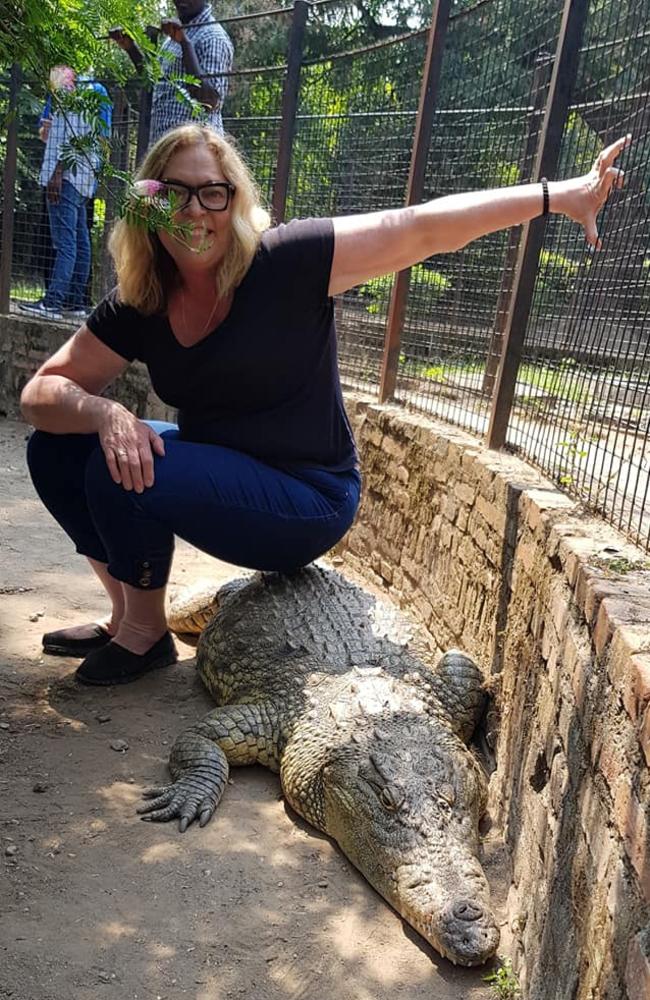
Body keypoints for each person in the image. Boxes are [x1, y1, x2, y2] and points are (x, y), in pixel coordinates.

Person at [20, 123, 630, 686]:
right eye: (175, 194)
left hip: (306, 495)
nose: (194, 212)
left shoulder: (288, 260)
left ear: (234, 201)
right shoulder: (145, 296)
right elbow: (42, 391)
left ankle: (143, 632)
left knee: (116, 469)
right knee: (58, 447)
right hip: (223, 472)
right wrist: (105, 412)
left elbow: (423, 227)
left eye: (213, 193)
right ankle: (130, 618)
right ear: (148, 206)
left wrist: (559, 195)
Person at [20, 67, 112, 322]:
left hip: (65, 177)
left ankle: (53, 302)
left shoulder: (68, 90)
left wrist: (58, 171)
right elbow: (101, 139)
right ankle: (75, 303)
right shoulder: (99, 91)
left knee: (65, 244)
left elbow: (68, 136)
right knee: (80, 242)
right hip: (85, 180)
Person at [108, 0, 233, 144]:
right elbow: (155, 82)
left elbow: (210, 101)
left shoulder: (213, 37)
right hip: (164, 145)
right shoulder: (174, 35)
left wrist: (185, 43)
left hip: (195, 152)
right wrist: (131, 48)